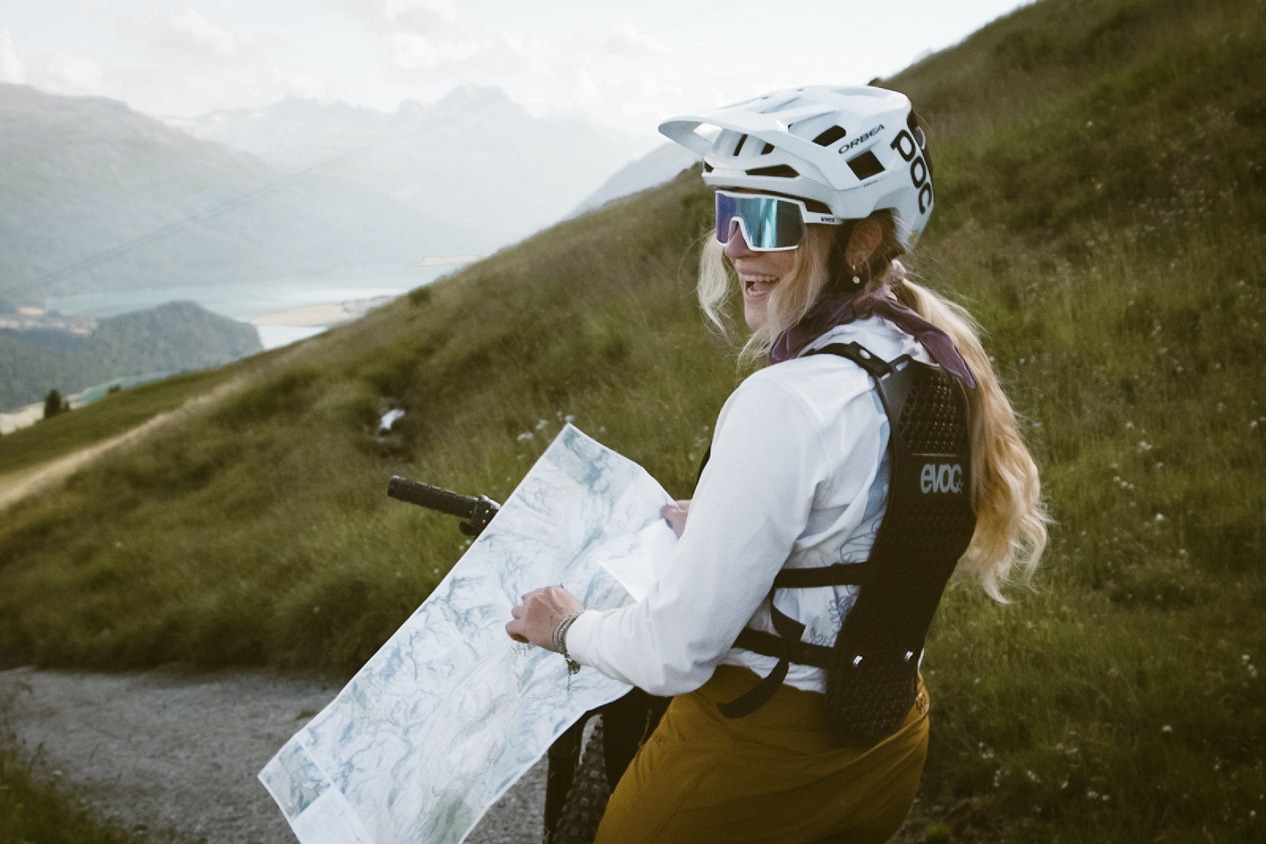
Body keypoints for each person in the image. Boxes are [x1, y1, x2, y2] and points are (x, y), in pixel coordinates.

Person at [507, 85, 1048, 844]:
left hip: (746, 758)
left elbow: (671, 654)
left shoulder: (786, 401)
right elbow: (878, 533)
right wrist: (737, 527)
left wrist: (564, 626)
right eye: (728, 214)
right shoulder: (929, 366)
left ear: (859, 242)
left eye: (765, 219)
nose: (733, 246)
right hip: (883, 745)